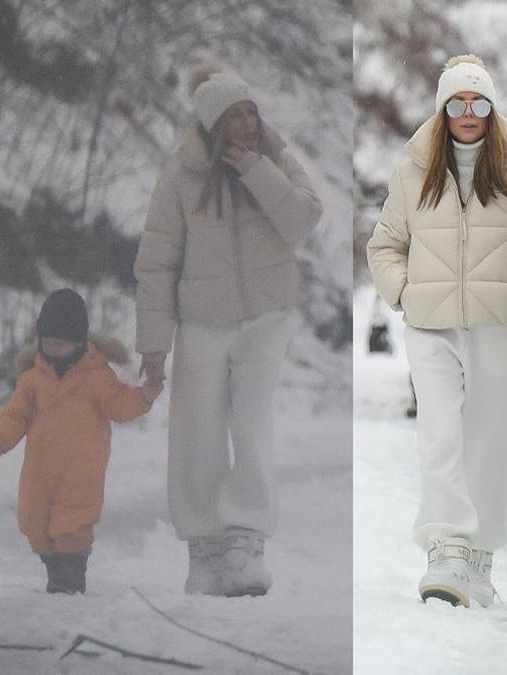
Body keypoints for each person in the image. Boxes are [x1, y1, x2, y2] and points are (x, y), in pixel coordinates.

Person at [366, 55, 507, 608]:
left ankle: (479, 556)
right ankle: (447, 548)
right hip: (431, 325)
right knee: (441, 431)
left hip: (497, 324)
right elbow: (384, 245)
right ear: (443, 109)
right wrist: (402, 291)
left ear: (492, 108)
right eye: (457, 102)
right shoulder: (412, 172)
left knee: (490, 437)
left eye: (478, 102)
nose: (468, 113)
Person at [134, 64, 322, 597]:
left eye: (250, 112)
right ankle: (204, 551)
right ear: (212, 124)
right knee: (196, 433)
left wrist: (258, 172)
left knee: (252, 423)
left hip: (268, 315)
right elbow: (156, 266)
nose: (245, 123)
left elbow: (304, 219)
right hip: (202, 322)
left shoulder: (279, 160)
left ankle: (246, 539)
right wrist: (153, 347)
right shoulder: (179, 179)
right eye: (233, 115)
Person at [0, 289, 162, 594]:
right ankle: (55, 565)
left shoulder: (96, 376)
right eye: (48, 342)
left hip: (81, 469)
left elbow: (118, 405)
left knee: (72, 522)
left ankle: (69, 575)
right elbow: (17, 413)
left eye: (61, 344)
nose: (52, 349)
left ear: (79, 343)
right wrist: (1, 438)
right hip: (39, 469)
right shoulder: (33, 379)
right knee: (32, 520)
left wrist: (144, 396)